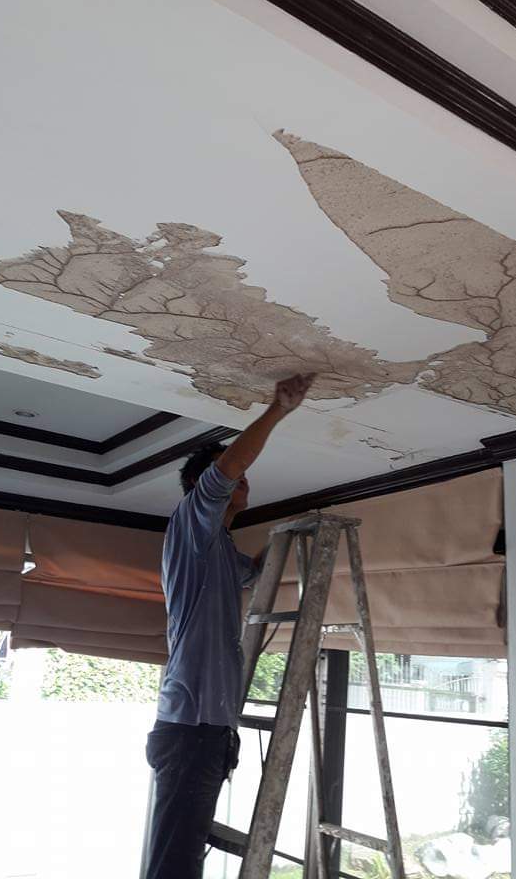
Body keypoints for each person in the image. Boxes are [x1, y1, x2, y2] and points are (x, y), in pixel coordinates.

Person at [144, 373, 315, 879]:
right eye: (231, 477)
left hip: (208, 731)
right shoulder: (190, 526)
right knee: (176, 863)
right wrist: (278, 410)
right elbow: (223, 474)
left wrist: (286, 538)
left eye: (242, 478)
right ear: (203, 489)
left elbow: (253, 574)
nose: (242, 481)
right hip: (191, 729)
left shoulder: (218, 548)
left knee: (181, 856)